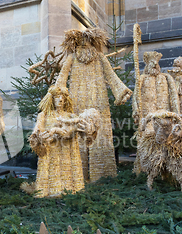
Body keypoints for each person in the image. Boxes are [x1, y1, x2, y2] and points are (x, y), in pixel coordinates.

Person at [55, 28, 132, 181]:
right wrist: (57, 94)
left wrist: (121, 91)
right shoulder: (72, 58)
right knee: (77, 134)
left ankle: (101, 176)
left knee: (100, 135)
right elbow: (62, 77)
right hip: (76, 99)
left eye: (87, 44)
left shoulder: (100, 57)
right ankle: (78, 175)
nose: (85, 48)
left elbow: (111, 75)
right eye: (82, 44)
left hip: (99, 100)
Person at [24, 86, 100, 197]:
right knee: (51, 173)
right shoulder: (43, 116)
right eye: (56, 97)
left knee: (67, 174)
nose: (60, 100)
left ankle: (70, 191)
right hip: (51, 153)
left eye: (62, 98)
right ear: (51, 99)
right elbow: (36, 132)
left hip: (68, 154)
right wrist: (39, 138)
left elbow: (86, 137)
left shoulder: (71, 116)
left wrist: (91, 130)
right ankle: (48, 192)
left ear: (65, 100)